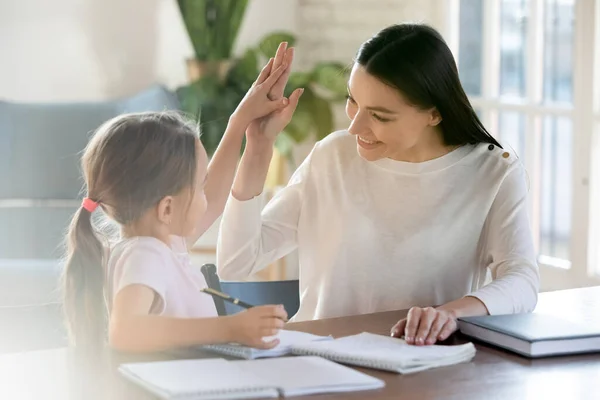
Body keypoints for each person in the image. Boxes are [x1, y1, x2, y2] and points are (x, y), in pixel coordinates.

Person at [217, 24, 539, 346]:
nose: (355, 127)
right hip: (320, 365)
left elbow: (522, 281)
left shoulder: (494, 173)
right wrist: (258, 146)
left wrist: (450, 314)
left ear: (434, 114)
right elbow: (236, 263)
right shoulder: (332, 157)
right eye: (352, 100)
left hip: (427, 368)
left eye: (380, 116)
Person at [62, 43, 303, 352]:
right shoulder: (144, 254)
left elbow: (214, 197)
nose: (206, 193)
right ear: (167, 208)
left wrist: (240, 121)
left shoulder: (161, 242)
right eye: (198, 186)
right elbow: (126, 331)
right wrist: (230, 327)